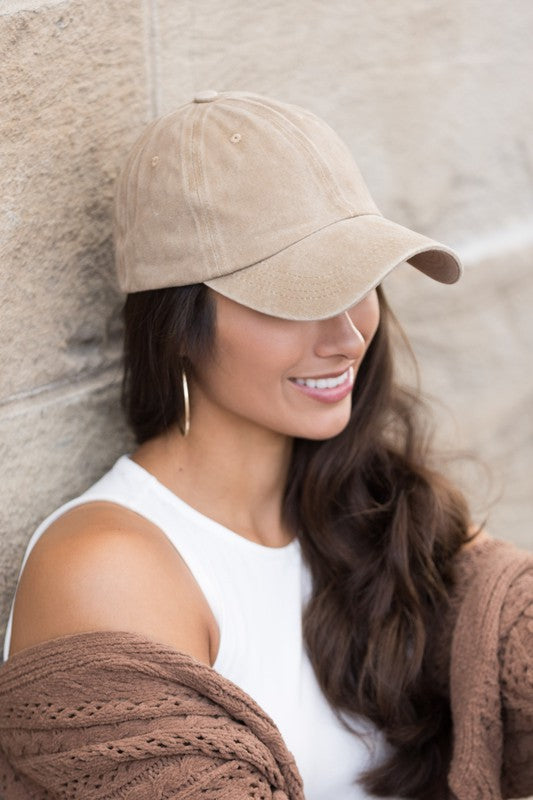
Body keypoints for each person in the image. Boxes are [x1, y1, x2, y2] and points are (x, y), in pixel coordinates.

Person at [0, 90, 531, 800]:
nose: (347, 336)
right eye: (302, 293)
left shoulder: (378, 511)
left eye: (361, 280)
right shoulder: (107, 568)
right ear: (180, 323)